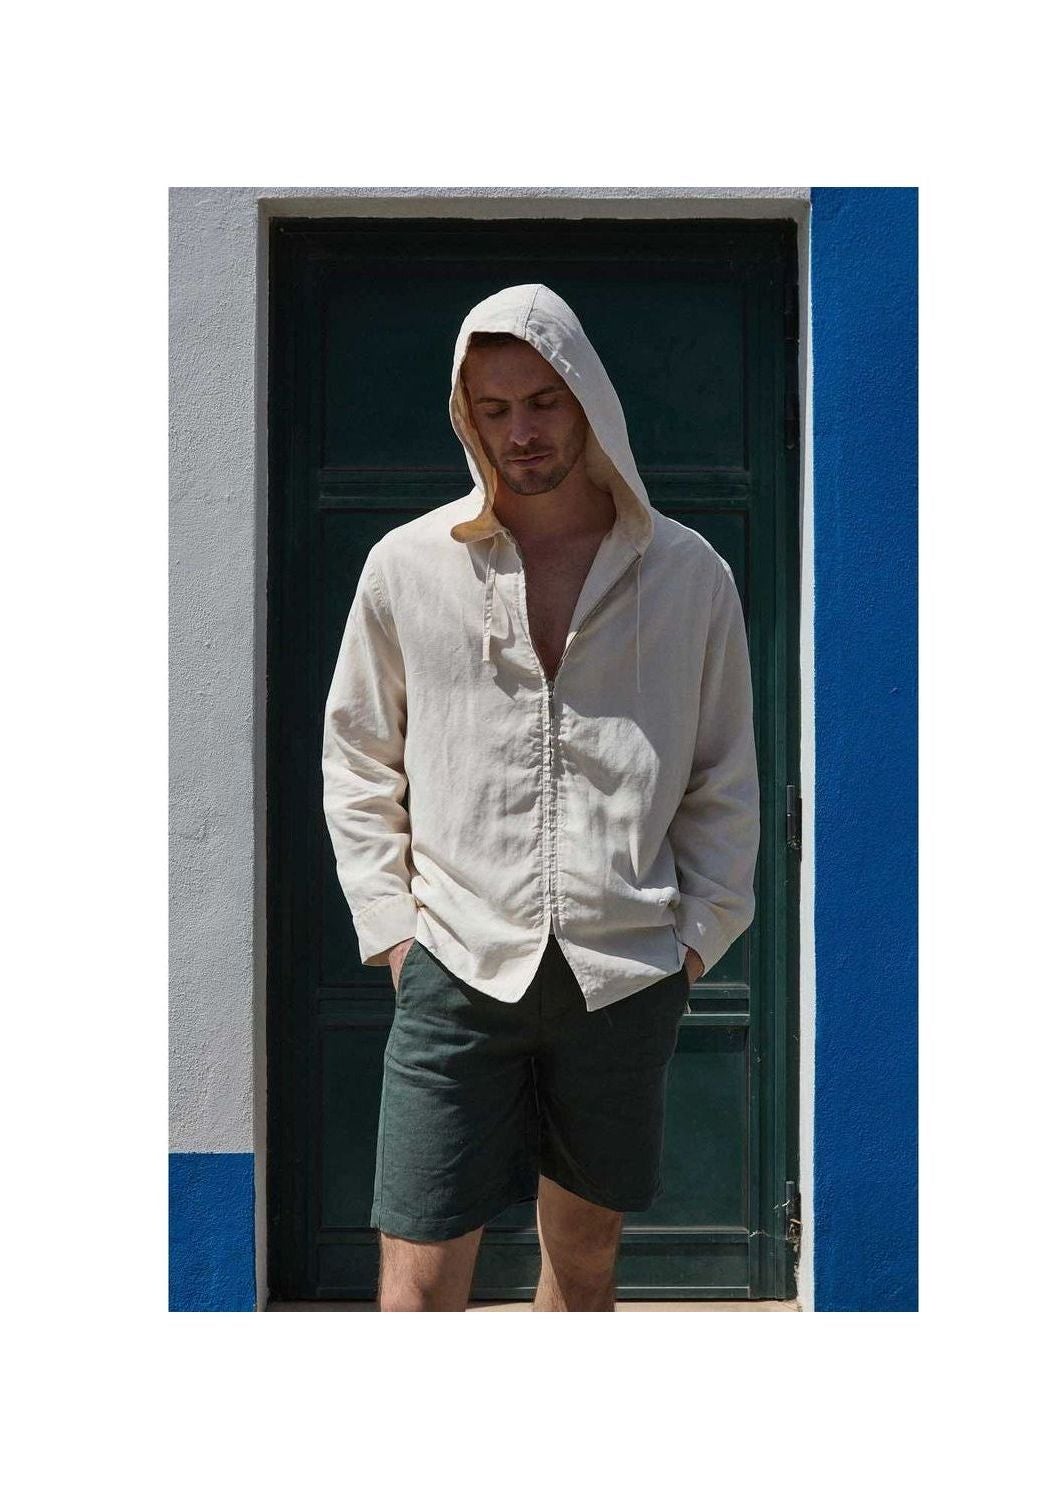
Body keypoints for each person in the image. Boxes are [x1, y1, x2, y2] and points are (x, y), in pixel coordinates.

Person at [321, 283, 760, 1311]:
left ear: (586, 397)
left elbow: (722, 775)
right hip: (454, 961)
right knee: (418, 1278)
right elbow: (358, 758)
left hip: (623, 971)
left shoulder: (688, 574)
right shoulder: (407, 567)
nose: (520, 431)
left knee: (587, 1262)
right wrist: (395, 933)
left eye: (542, 402)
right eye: (494, 409)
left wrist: (695, 940)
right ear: (465, 417)